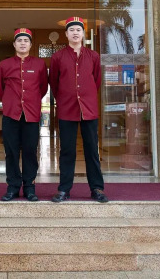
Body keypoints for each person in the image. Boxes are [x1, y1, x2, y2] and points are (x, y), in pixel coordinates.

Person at [49, 16, 108, 203]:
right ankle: (64, 189)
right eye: (72, 30)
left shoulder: (93, 56)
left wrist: (85, 96)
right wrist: (65, 99)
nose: (75, 33)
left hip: (88, 109)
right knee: (67, 150)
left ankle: (97, 188)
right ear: (66, 34)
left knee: (92, 150)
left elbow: (96, 81)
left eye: (78, 30)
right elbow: (54, 83)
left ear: (83, 34)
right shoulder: (57, 57)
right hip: (67, 109)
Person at [0, 28, 49, 202]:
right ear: (14, 44)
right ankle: (12, 187)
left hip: (31, 115)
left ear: (31, 45)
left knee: (30, 152)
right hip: (11, 115)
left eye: (26, 41)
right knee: (11, 152)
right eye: (19, 40)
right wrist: (11, 102)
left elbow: (43, 88)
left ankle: (30, 188)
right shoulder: (5, 64)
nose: (23, 43)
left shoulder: (39, 64)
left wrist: (31, 101)